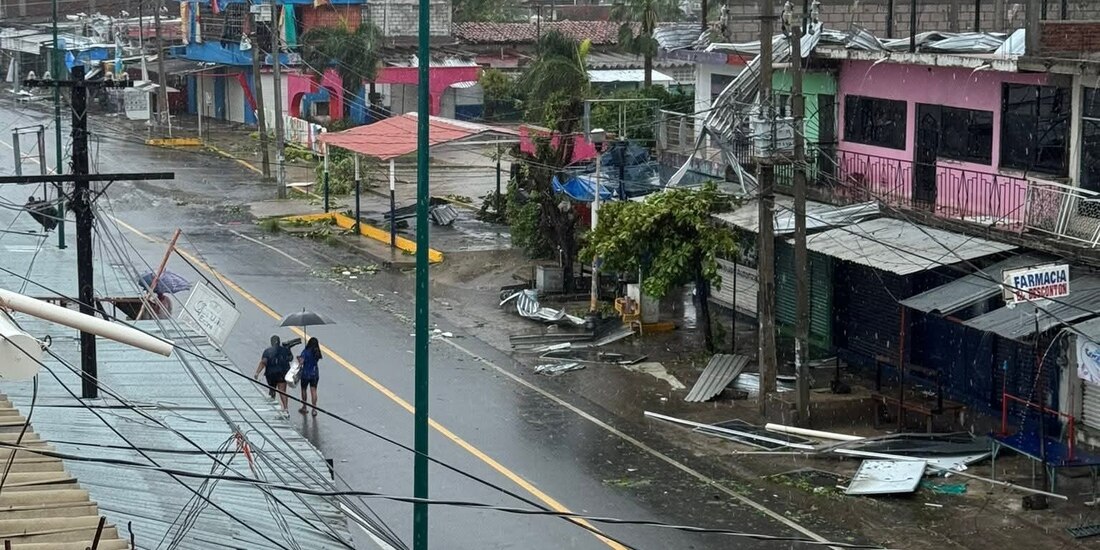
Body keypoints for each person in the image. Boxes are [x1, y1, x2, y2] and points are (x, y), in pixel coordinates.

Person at [254, 335, 292, 412]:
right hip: (282, 373)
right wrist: (289, 349)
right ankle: (285, 408)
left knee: (272, 390)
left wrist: (257, 373)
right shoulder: (285, 350)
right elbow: (290, 358)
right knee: (282, 391)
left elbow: (263, 362)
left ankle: (272, 406)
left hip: (271, 374)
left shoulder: (267, 351)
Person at [298, 337, 322, 416]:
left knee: (304, 389)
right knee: (313, 390)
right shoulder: (317, 352)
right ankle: (314, 409)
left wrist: (299, 358)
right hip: (314, 373)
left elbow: (301, 362)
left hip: (305, 374)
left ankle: (304, 407)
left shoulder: (305, 352)